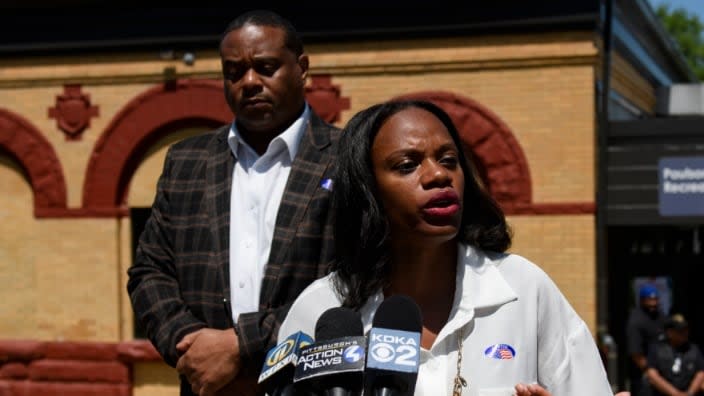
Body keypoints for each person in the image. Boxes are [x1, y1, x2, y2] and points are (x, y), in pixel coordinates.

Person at [277, 100, 613, 395]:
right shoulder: (321, 310)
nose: (438, 175)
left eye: (449, 160)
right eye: (407, 165)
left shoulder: (525, 289)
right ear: (367, 191)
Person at [127, 9, 341, 396]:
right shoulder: (186, 162)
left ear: (302, 67)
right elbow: (149, 272)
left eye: (266, 67)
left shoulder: (347, 158)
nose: (250, 82)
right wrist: (194, 348)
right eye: (234, 72)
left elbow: (356, 281)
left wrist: (242, 346)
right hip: (209, 387)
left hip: (313, 384)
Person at [643, 313, 704, 396]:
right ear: (669, 332)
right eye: (680, 331)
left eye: (686, 330)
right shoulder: (657, 349)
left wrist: (689, 393)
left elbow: (700, 373)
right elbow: (652, 375)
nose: (684, 333)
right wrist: (675, 393)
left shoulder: (693, 349)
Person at [626, 283, 667, 395]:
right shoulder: (636, 321)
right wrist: (651, 371)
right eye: (650, 300)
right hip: (643, 374)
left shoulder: (661, 316)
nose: (653, 303)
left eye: (655, 300)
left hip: (663, 371)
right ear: (642, 301)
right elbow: (636, 354)